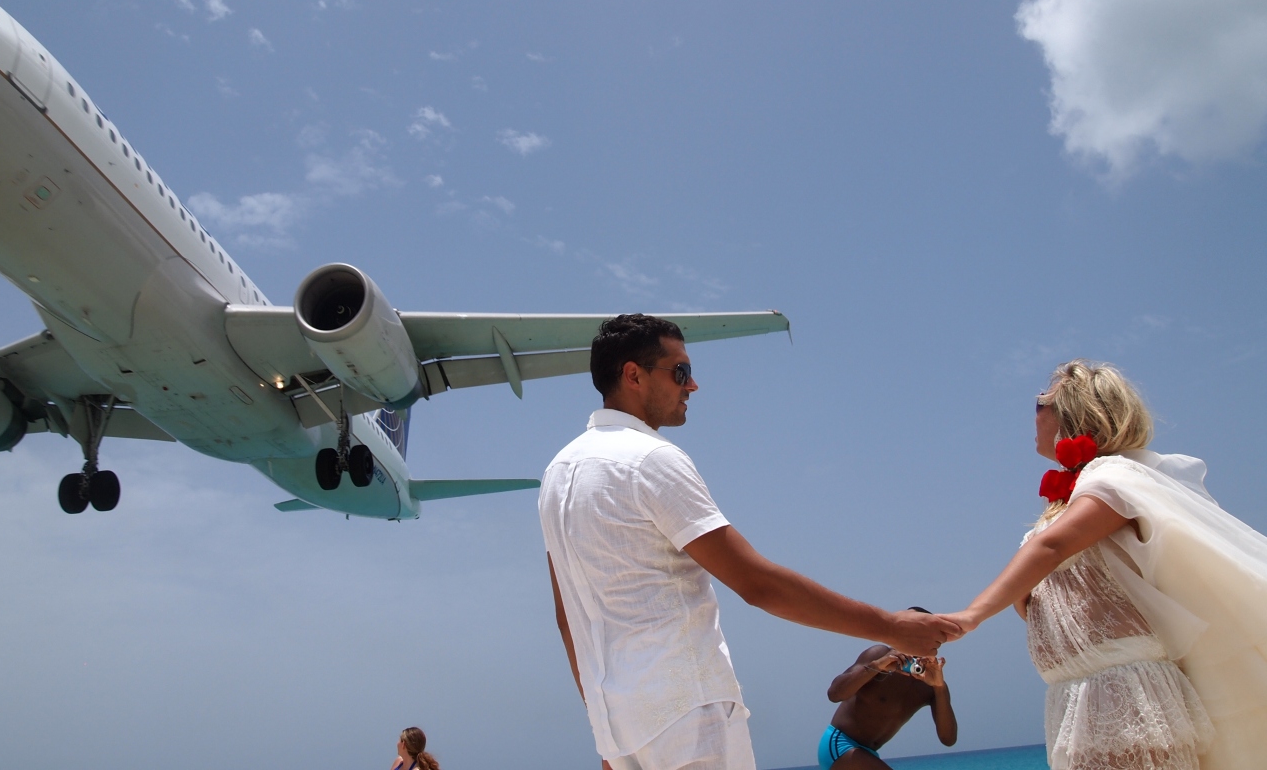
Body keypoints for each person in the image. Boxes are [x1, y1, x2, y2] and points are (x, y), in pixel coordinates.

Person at [539, 313, 961, 770]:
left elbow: (568, 618)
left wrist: (607, 736)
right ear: (633, 375)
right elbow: (758, 584)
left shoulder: (556, 476)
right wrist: (891, 627)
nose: (693, 385)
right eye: (680, 371)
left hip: (620, 730)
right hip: (687, 717)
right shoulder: (650, 459)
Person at [944, 359, 1267, 770]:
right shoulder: (1077, 497)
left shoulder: (1114, 478)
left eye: (1040, 402)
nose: (1034, 412)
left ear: (1074, 412)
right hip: (1073, 689)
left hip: (1121, 685)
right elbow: (1044, 594)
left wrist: (971, 616)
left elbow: (1052, 547)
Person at [819, 614, 957, 769]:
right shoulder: (879, 655)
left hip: (868, 754)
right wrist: (877, 666)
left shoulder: (930, 683)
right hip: (840, 744)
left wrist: (939, 687)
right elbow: (834, 694)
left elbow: (948, 739)